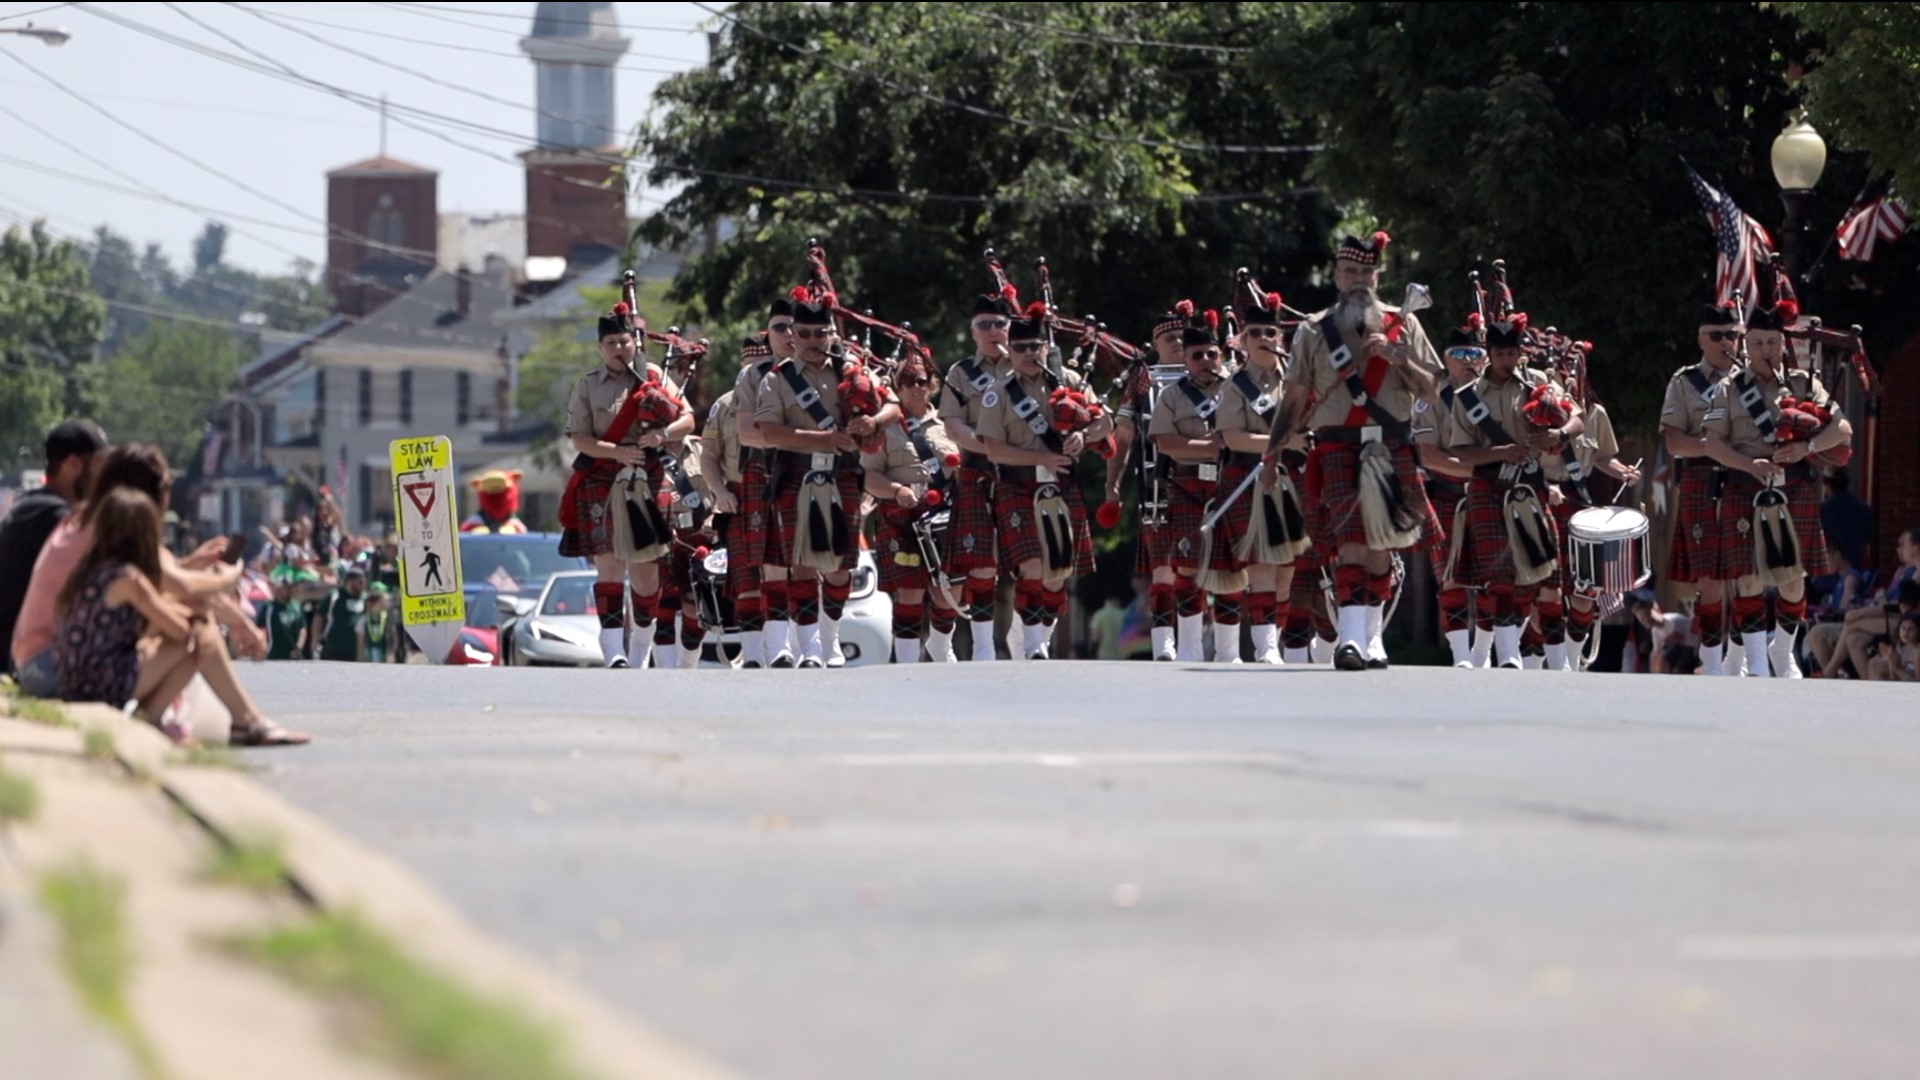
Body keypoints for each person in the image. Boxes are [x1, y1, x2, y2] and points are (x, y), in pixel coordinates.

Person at [1264, 231, 1445, 671]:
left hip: (1389, 442)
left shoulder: (1404, 324)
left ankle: (1372, 638)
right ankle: (1348, 639)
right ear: (1336, 276)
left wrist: (1399, 357)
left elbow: (1434, 389)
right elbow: (1294, 396)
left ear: (1377, 276)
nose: (1359, 279)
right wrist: (1272, 454)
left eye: (1367, 271)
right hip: (1336, 446)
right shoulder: (1312, 329)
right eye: (1351, 271)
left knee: (1382, 543)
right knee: (1349, 543)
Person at [55, 488, 306, 746]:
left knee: (197, 628)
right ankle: (234, 720)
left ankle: (164, 717)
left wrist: (195, 611)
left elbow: (165, 606)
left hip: (76, 679)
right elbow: (178, 630)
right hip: (97, 683)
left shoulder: (92, 570)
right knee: (199, 638)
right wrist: (224, 581)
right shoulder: (128, 578)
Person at [14, 443, 267, 697]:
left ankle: (242, 718)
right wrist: (229, 579)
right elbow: (180, 587)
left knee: (186, 617)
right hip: (51, 667)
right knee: (194, 623)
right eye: (167, 485)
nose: (169, 495)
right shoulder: (114, 530)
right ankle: (244, 718)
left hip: (38, 661)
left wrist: (191, 564)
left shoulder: (91, 519)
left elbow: (159, 578)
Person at [1700, 296, 1852, 677]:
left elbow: (1843, 429)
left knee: (1792, 581)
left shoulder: (1804, 384)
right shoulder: (1728, 389)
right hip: (1743, 487)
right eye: (1756, 343)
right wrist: (1749, 463)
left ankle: (1781, 651)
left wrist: (1807, 446)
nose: (1764, 349)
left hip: (1793, 488)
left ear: (1782, 344)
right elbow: (1712, 442)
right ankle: (1756, 662)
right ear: (1745, 345)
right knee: (1748, 576)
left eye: (1771, 342)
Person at [557, 299, 695, 668]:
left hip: (648, 479)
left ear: (635, 341)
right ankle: (613, 650)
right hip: (602, 477)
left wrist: (661, 433)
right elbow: (580, 438)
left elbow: (689, 420)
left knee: (647, 575)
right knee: (610, 565)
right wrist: (618, 453)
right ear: (600, 348)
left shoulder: (653, 375)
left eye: (624, 341)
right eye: (611, 344)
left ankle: (639, 648)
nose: (619, 349)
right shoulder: (587, 386)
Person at [756, 298, 893, 668]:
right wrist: (822, 440)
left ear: (832, 334)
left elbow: (893, 406)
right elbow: (768, 432)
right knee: (801, 564)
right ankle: (810, 647)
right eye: (805, 334)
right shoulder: (777, 377)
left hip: (843, 474)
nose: (813, 340)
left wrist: (873, 423)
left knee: (839, 566)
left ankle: (830, 639)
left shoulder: (852, 371)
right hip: (796, 474)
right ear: (793, 336)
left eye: (821, 333)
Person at [1444, 314, 1586, 669]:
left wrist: (1559, 435)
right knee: (1500, 572)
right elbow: (1461, 452)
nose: (1508, 360)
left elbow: (1578, 417)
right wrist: (1500, 453)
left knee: (1547, 573)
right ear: (1489, 353)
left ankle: (1558, 663)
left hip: (1530, 484)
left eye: (1513, 353)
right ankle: (1508, 656)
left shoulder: (1536, 382)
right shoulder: (1468, 396)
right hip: (1487, 485)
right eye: (1501, 353)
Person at [975, 307, 1115, 660]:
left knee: (1058, 572)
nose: (1028, 354)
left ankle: (1032, 634)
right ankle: (1036, 645)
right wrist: (1040, 458)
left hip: (1062, 486)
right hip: (1017, 486)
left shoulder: (1069, 380)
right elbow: (993, 449)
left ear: (1044, 346)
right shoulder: (998, 391)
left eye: (1035, 346)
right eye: (1020, 348)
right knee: (1033, 566)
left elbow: (1106, 422)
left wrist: (1084, 435)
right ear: (1010, 349)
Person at [1214, 288, 1309, 666]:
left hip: (1291, 479)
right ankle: (1265, 646)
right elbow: (1234, 436)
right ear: (1243, 341)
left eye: (1270, 333)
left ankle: (1276, 638)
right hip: (1247, 476)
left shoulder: (1299, 382)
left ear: (1280, 338)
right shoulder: (1235, 385)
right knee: (1261, 564)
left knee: (1286, 569)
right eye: (1255, 334)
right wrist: (1285, 439)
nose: (1264, 340)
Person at [1661, 304, 1746, 674]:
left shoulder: (1754, 380)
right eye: (1716, 335)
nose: (1725, 342)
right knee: (1709, 577)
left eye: (1731, 335)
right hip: (1701, 479)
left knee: (1747, 574)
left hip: (1745, 479)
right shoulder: (1684, 382)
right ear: (1701, 339)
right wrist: (1712, 448)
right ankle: (1711, 660)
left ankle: (1742, 659)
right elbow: (1675, 443)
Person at [861, 354, 963, 663]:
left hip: (946, 514)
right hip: (902, 515)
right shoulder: (885, 426)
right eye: (907, 381)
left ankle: (939, 644)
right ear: (896, 386)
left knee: (950, 592)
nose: (915, 387)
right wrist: (897, 490)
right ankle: (906, 663)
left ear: (932, 384)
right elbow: (868, 475)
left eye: (921, 381)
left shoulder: (950, 423)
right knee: (910, 590)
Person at [1148, 316, 1237, 662]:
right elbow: (1165, 441)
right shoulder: (1172, 395)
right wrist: (1210, 448)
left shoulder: (1239, 389)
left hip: (1231, 483)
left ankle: (1229, 651)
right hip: (1186, 484)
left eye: (1212, 355)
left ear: (1221, 355)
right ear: (1185, 359)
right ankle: (1189, 647)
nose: (1205, 362)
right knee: (1186, 566)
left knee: (1232, 566)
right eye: (1197, 355)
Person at [939, 289, 1019, 661]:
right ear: (973, 332)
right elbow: (953, 425)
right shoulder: (961, 373)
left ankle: (1031, 641)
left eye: (999, 323)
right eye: (983, 325)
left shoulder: (1030, 366)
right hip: (978, 471)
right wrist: (988, 448)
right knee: (982, 564)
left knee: (1031, 562)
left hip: (1024, 472)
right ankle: (985, 646)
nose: (992, 330)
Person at [0, 419, 108, 682]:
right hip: (19, 661)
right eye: (99, 469)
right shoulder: (56, 519)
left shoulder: (31, 506)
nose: (103, 481)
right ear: (73, 465)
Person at [1414, 320, 1487, 667]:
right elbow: (1429, 455)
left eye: (1475, 353)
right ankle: (1461, 655)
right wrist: (1480, 470)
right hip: (1446, 494)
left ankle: (1485, 653)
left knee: (1495, 577)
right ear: (1446, 360)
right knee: (1450, 577)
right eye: (1460, 354)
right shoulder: (1431, 400)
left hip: (1491, 496)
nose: (1469, 360)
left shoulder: (1497, 396)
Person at [707, 334, 776, 667]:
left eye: (761, 365)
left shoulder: (789, 399)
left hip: (780, 493)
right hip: (740, 496)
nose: (754, 373)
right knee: (747, 579)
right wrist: (720, 492)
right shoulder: (723, 406)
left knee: (782, 576)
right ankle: (752, 656)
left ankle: (782, 650)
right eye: (749, 366)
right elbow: (708, 457)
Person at [735, 305, 795, 666]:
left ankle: (813, 644)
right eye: (779, 327)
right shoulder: (752, 376)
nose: (789, 334)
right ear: (767, 333)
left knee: (813, 560)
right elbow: (745, 432)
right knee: (773, 561)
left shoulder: (830, 370)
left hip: (814, 472)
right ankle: (780, 646)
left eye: (794, 327)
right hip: (766, 472)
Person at [1819, 467, 1873, 575]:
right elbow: (1868, 538)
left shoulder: (1820, 511)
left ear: (1826, 484)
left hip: (1826, 572)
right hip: (1855, 569)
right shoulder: (1863, 510)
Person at [317, 567, 369, 661]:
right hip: (333, 645)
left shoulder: (364, 599)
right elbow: (319, 617)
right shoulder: (334, 596)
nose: (362, 585)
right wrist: (315, 640)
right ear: (350, 581)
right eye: (360, 582)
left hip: (354, 647)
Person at [255, 578, 310, 661]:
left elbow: (303, 628)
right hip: (274, 654)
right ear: (279, 589)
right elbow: (258, 628)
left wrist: (299, 645)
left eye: (291, 588)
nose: (290, 591)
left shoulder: (296, 607)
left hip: (294, 656)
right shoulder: (269, 608)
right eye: (287, 588)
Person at [1866, 612, 1920, 682]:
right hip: (1901, 683)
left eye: (1911, 629)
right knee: (1874, 662)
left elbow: (1917, 684)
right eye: (1903, 628)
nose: (1905, 632)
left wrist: (1897, 667)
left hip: (1911, 689)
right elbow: (1895, 678)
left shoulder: (1917, 652)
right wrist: (1891, 663)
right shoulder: (1903, 649)